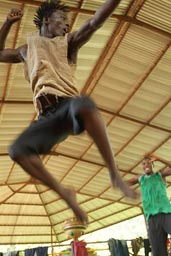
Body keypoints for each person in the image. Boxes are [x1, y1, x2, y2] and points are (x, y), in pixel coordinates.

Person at [0, 0, 137, 224]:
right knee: (17, 150)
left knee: (84, 103)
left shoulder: (69, 42)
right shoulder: (26, 50)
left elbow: (95, 21)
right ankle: (65, 194)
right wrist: (6, 24)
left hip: (68, 106)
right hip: (45, 116)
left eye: (68, 21)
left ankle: (114, 173)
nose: (66, 24)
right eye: (62, 19)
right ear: (46, 20)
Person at [127, 153, 171, 256]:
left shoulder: (159, 175)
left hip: (166, 214)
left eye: (149, 163)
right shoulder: (140, 179)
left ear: (153, 165)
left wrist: (159, 158)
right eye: (144, 164)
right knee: (157, 251)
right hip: (151, 218)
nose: (146, 165)